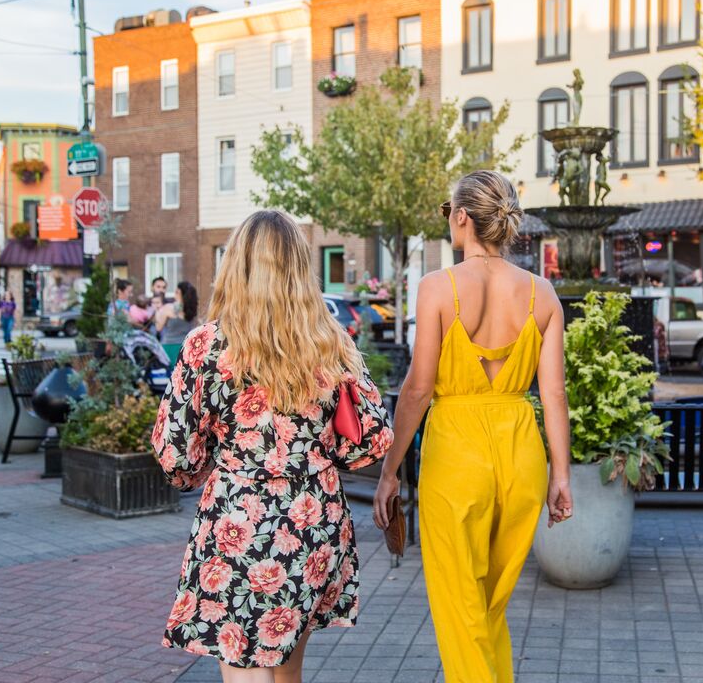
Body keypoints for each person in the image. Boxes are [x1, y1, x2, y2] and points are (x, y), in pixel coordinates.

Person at [152, 210, 393, 682]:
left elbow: (175, 454)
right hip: (313, 519)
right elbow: (367, 440)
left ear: (236, 265)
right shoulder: (331, 343)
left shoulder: (208, 345)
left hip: (239, 521)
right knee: (285, 673)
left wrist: (212, 467)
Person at [373, 170, 574, 682]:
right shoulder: (542, 293)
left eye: (449, 214)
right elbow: (553, 394)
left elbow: (417, 389)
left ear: (462, 217)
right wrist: (561, 476)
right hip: (521, 453)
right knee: (487, 610)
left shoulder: (438, 288)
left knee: (461, 612)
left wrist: (390, 470)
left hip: (457, 455)